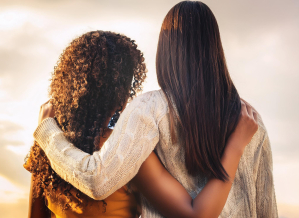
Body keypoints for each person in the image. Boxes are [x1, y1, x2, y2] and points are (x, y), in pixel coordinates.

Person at [32, 1, 278, 217]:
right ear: (216, 49)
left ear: (166, 51)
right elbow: (266, 208)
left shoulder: (149, 109)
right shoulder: (250, 121)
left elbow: (97, 180)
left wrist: (46, 132)